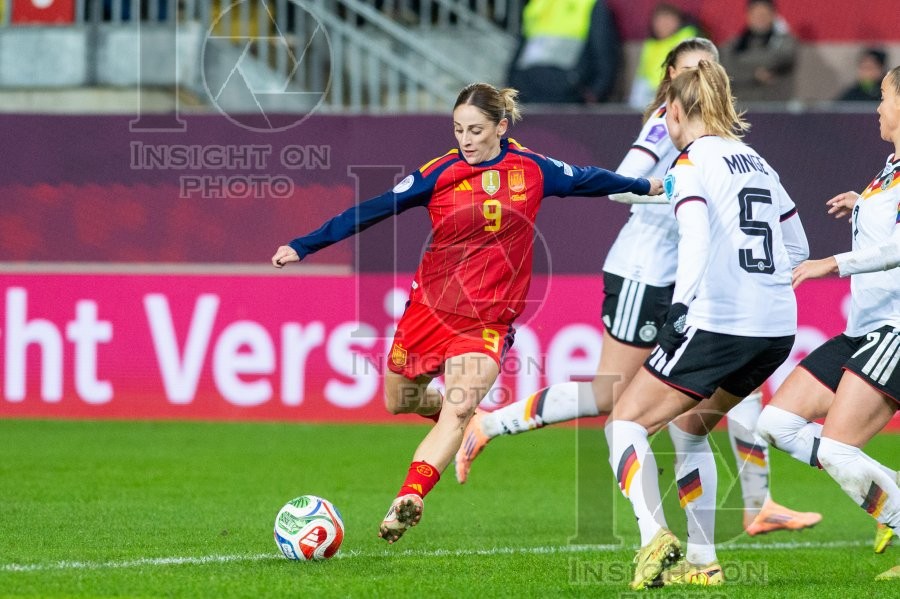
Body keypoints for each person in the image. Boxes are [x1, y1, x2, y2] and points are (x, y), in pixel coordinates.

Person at [456, 37, 821, 542]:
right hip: (645, 272)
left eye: (710, 70)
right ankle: (492, 425)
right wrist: (675, 196)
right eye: (693, 69)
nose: (702, 78)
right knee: (615, 395)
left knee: (717, 394)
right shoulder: (664, 126)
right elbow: (622, 182)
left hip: (685, 283)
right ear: (670, 75)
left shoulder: (714, 147)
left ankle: (756, 503)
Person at [271, 82, 663, 544]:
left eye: (476, 130)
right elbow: (372, 210)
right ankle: (466, 420)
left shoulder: (533, 169)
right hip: (429, 311)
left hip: (488, 321)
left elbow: (591, 179)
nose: (467, 140)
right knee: (399, 400)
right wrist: (303, 244)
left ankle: (411, 496)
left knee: (457, 407)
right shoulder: (440, 173)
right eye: (459, 130)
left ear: (501, 126)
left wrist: (647, 185)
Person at [604, 60, 809, 590]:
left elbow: (694, 237)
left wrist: (682, 308)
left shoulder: (691, 163)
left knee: (624, 423)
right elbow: (799, 249)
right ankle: (703, 562)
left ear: (673, 111)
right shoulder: (759, 162)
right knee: (690, 427)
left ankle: (654, 535)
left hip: (718, 322)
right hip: (775, 329)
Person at [757, 65, 900, 581]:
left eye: (884, 97)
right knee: (776, 423)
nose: (877, 108)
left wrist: (830, 263)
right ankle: (890, 490)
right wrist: (861, 204)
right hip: (864, 328)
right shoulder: (889, 169)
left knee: (839, 449)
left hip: (896, 330)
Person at [507, 0, 621, 104]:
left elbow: (604, 53)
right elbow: (522, 47)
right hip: (529, 94)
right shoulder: (537, 4)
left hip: (569, 98)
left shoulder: (589, 4)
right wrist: (513, 82)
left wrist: (596, 93)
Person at [721, 0, 797, 103]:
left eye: (764, 14)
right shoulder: (734, 44)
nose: (760, 18)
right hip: (741, 108)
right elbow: (724, 71)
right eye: (756, 14)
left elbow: (780, 58)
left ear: (773, 15)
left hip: (775, 108)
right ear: (748, 16)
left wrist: (740, 64)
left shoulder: (783, 41)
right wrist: (754, 74)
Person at [627, 3, 700, 110]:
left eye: (668, 20)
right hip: (651, 98)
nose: (664, 25)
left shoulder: (688, 39)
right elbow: (642, 77)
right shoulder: (650, 45)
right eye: (660, 21)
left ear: (678, 21)